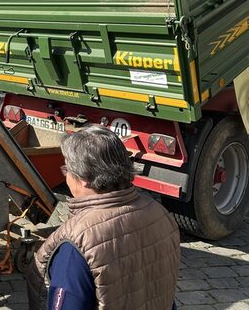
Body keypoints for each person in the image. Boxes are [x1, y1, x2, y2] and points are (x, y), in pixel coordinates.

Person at [26, 125, 180, 310]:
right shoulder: (160, 213)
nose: (66, 176)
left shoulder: (77, 243)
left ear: (83, 178)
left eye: (67, 169)